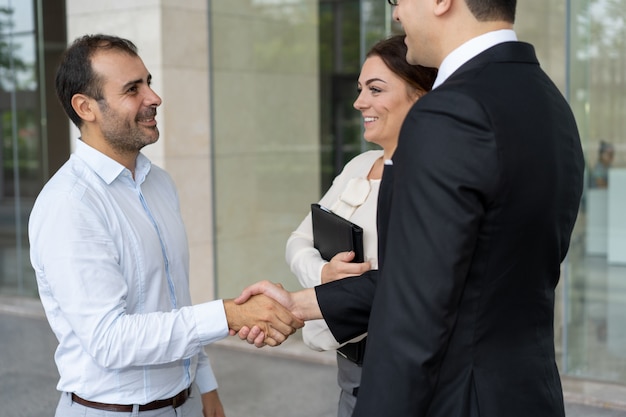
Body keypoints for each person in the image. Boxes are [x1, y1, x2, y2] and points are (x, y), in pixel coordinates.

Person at [235, 0, 585, 416]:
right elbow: (466, 274)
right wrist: (301, 304)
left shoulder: (449, 112)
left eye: (397, 0)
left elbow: (415, 310)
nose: (397, 13)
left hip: (458, 399)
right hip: (528, 394)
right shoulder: (548, 102)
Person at [28, 34, 303, 417]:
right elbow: (110, 340)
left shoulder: (158, 183)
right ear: (85, 107)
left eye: (149, 82)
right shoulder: (69, 205)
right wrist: (229, 315)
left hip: (185, 401)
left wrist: (205, 386)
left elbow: (173, 301)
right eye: (132, 89)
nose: (153, 98)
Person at [286, 35, 437, 417]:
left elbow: (413, 284)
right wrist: (324, 272)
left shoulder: (433, 179)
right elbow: (297, 240)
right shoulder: (358, 164)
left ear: (419, 95)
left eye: (375, 89)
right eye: (360, 89)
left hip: (403, 371)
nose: (358, 102)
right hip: (349, 367)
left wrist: (299, 304)